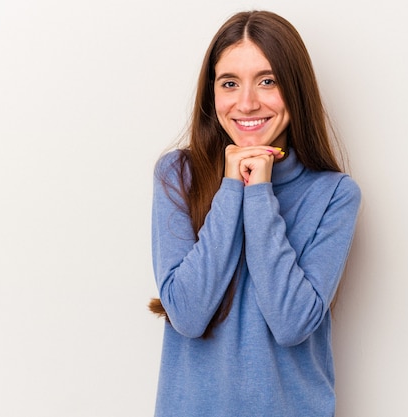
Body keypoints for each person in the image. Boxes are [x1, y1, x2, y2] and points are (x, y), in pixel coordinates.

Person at [148, 10, 362, 417]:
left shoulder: (335, 195)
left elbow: (292, 323)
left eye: (268, 81)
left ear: (295, 90)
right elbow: (188, 315)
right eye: (230, 83)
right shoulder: (177, 175)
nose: (247, 103)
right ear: (212, 94)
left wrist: (259, 191)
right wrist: (232, 188)